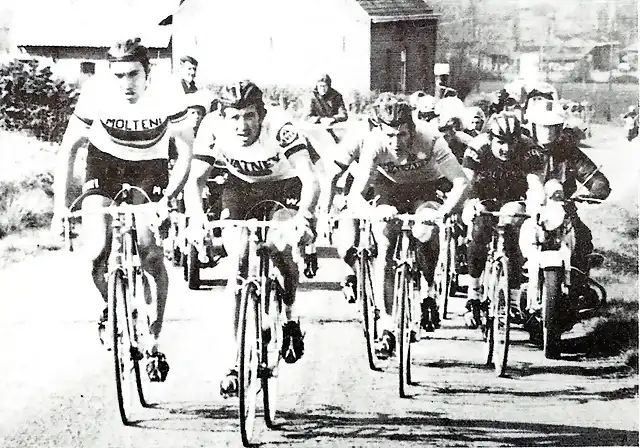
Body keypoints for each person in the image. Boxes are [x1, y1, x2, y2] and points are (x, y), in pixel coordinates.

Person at [51, 37, 193, 382]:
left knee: (149, 251)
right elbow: (68, 151)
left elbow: (186, 151)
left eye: (132, 74)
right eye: (118, 76)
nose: (125, 84)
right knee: (97, 249)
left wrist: (167, 198)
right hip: (105, 165)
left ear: (149, 72)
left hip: (150, 167)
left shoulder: (170, 91)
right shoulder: (96, 92)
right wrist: (58, 209)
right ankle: (111, 307)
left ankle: (154, 337)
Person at [183, 80, 320, 398]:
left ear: (262, 115)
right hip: (240, 188)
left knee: (280, 249)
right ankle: (235, 361)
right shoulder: (212, 127)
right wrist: (197, 220)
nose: (242, 125)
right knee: (238, 267)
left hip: (283, 188)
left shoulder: (281, 127)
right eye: (235, 117)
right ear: (223, 116)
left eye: (249, 116)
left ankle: (289, 316)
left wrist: (305, 218)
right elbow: (195, 181)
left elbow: (310, 178)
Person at [340, 93, 468, 356]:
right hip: (390, 189)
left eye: (401, 135)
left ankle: (429, 291)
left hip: (427, 187)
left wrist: (443, 212)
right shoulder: (374, 143)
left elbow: (461, 182)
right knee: (385, 242)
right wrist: (372, 213)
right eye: (390, 136)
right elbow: (355, 194)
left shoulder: (431, 137)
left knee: (425, 230)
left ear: (412, 129)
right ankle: (387, 326)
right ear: (380, 131)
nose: (395, 142)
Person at [460, 112, 545, 328]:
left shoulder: (529, 148)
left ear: (519, 139)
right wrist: (470, 204)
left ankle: (514, 301)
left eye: (512, 142)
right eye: (500, 142)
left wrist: (537, 206)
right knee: (479, 231)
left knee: (510, 234)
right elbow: (465, 183)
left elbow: (535, 184)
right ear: (490, 139)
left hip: (513, 198)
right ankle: (474, 293)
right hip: (484, 196)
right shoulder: (477, 147)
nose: (506, 148)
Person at [523, 99, 611, 308]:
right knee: (508, 234)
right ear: (533, 126)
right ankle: (505, 285)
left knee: (582, 236)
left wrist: (596, 189)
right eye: (543, 127)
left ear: (560, 128)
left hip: (562, 210)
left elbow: (594, 176)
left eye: (553, 127)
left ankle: (579, 285)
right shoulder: (522, 150)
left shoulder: (569, 152)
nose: (548, 132)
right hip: (527, 209)